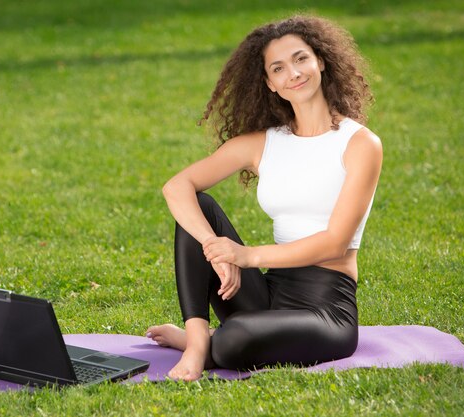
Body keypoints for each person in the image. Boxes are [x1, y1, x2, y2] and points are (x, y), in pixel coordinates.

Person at [146, 15, 382, 381]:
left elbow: (335, 243)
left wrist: (245, 255)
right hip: (268, 292)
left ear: (320, 60)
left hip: (326, 310)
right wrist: (213, 245)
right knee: (201, 210)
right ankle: (196, 341)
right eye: (279, 68)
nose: (294, 73)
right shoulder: (264, 143)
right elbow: (176, 187)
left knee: (233, 342)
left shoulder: (359, 144)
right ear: (270, 84)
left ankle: (213, 342)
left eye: (301, 58)